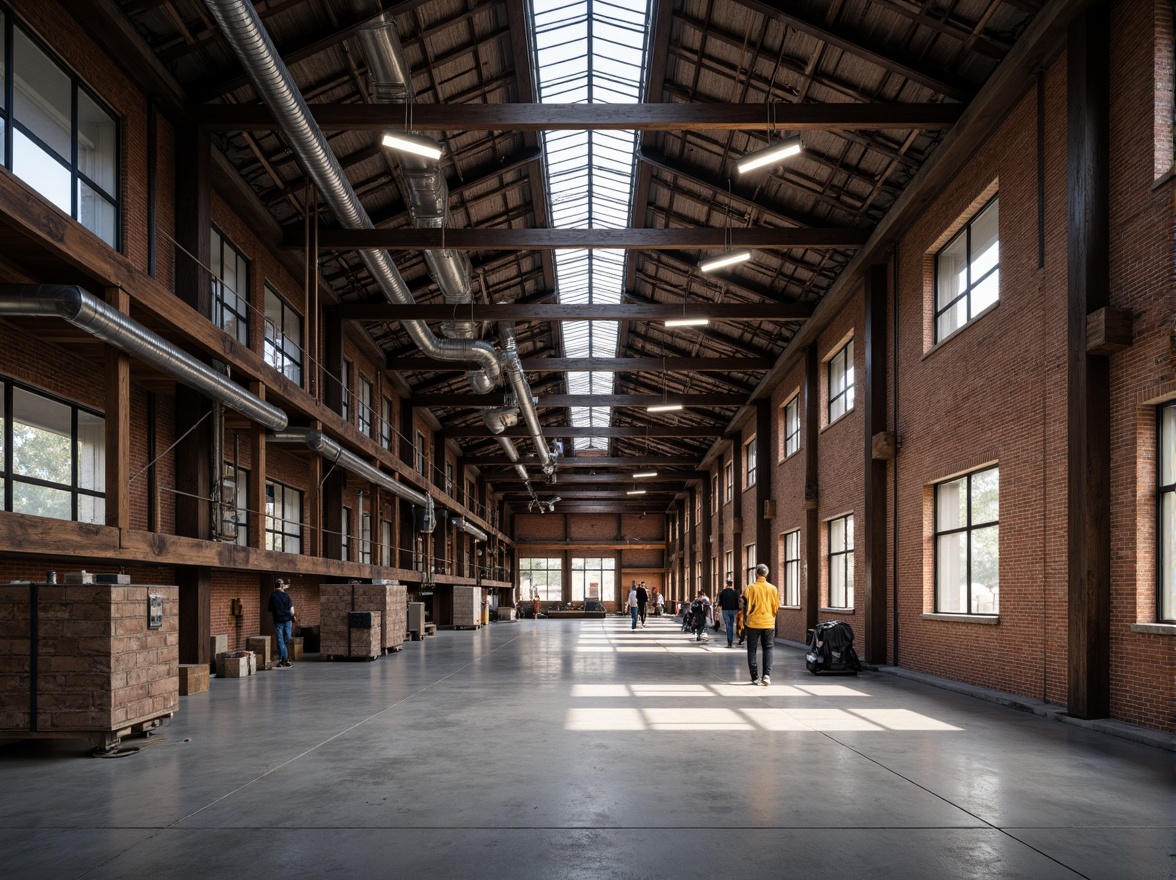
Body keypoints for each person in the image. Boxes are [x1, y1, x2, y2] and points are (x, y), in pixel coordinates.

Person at [743, 563, 780, 685]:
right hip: (768, 623)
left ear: (756, 574)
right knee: (768, 648)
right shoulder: (773, 588)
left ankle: (754, 677)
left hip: (753, 623)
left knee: (752, 650)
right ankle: (766, 676)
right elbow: (776, 606)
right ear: (766, 574)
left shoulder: (750, 588)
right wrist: (771, 615)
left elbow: (744, 602)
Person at [267, 578, 295, 669]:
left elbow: (270, 609)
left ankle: (282, 660)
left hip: (278, 621)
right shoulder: (286, 596)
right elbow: (291, 609)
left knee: (280, 641)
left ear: (275, 586)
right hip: (287, 620)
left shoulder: (273, 596)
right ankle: (285, 660)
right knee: (287, 640)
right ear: (282, 585)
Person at [717, 577, 740, 648]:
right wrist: (737, 609)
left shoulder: (723, 592)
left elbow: (720, 602)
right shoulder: (736, 592)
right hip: (733, 610)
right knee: (732, 624)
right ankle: (731, 641)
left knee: (728, 626)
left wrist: (720, 607)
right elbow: (737, 602)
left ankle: (729, 642)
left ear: (727, 584)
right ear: (732, 584)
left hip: (725, 610)